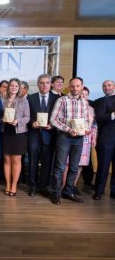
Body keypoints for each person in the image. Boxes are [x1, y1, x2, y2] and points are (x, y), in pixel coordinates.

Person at [50, 77, 91, 205]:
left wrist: (86, 129)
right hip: (64, 137)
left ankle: (68, 191)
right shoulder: (62, 100)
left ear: (82, 87)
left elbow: (86, 119)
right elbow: (53, 120)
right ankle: (56, 193)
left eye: (78, 86)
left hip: (79, 138)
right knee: (60, 167)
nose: (75, 88)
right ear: (69, 86)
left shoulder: (84, 101)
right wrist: (68, 129)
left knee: (74, 167)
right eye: (72, 86)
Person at [26, 74, 58, 197]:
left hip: (49, 136)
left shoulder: (57, 98)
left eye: (46, 83)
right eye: (42, 83)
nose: (44, 85)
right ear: (38, 84)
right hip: (34, 135)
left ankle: (43, 186)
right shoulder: (30, 98)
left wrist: (52, 125)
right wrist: (31, 123)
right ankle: (32, 186)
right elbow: (27, 115)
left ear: (50, 84)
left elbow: (59, 116)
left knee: (47, 163)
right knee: (32, 162)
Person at [62, 86, 97, 195]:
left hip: (86, 139)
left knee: (79, 165)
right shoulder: (74, 105)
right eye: (82, 94)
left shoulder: (91, 109)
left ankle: (72, 185)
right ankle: (64, 186)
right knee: (68, 163)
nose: (84, 96)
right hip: (72, 136)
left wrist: (94, 138)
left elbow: (94, 125)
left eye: (86, 95)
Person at [1, 78, 30, 196]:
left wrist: (18, 121)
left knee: (16, 160)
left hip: (19, 132)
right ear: (9, 87)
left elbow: (27, 117)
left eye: (16, 86)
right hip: (5, 131)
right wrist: (1, 119)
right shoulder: (3, 100)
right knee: (7, 159)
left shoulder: (24, 100)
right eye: (12, 86)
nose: (13, 88)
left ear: (19, 88)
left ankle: (14, 185)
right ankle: (7, 184)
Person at [93, 80, 115, 200]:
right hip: (105, 139)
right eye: (104, 86)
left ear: (114, 86)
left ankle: (114, 191)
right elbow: (100, 118)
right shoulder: (100, 101)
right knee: (103, 167)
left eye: (109, 85)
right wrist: (113, 115)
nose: (106, 88)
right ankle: (98, 191)